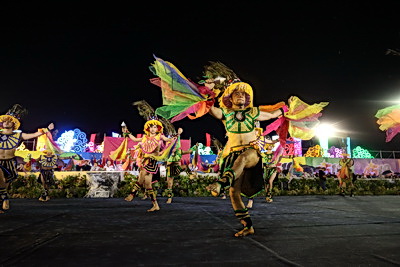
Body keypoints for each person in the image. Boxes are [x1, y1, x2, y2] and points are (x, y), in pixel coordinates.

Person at [206, 82, 286, 237]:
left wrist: (286, 109)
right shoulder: (225, 113)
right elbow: (210, 109)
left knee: (242, 158)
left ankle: (221, 182)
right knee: (233, 192)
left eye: (243, 94)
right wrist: (206, 93)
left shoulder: (253, 112)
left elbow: (271, 115)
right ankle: (247, 225)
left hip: (251, 153)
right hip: (232, 155)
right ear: (230, 98)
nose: (241, 95)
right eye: (237, 94)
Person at [0, 104, 54, 213]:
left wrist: (47, 129)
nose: (6, 122)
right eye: (4, 121)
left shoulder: (19, 135)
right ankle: (4, 197)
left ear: (14, 123)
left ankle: (3, 197)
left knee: (5, 182)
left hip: (10, 162)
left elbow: (34, 135)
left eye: (9, 121)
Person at [123, 118, 181, 212]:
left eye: (155, 127)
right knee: (147, 184)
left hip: (153, 161)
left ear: (158, 128)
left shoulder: (160, 137)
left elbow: (169, 139)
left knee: (142, 175)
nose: (153, 129)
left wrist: (177, 135)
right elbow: (134, 139)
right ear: (148, 128)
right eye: (151, 127)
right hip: (144, 160)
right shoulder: (145, 137)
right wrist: (127, 133)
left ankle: (132, 194)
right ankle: (155, 205)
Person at [164, 136, 194, 204]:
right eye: (172, 146)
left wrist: (195, 147)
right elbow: (166, 161)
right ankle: (169, 198)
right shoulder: (167, 153)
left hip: (177, 168)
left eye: (175, 146)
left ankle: (190, 175)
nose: (174, 148)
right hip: (170, 169)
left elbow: (189, 151)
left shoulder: (179, 151)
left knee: (185, 167)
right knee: (169, 184)